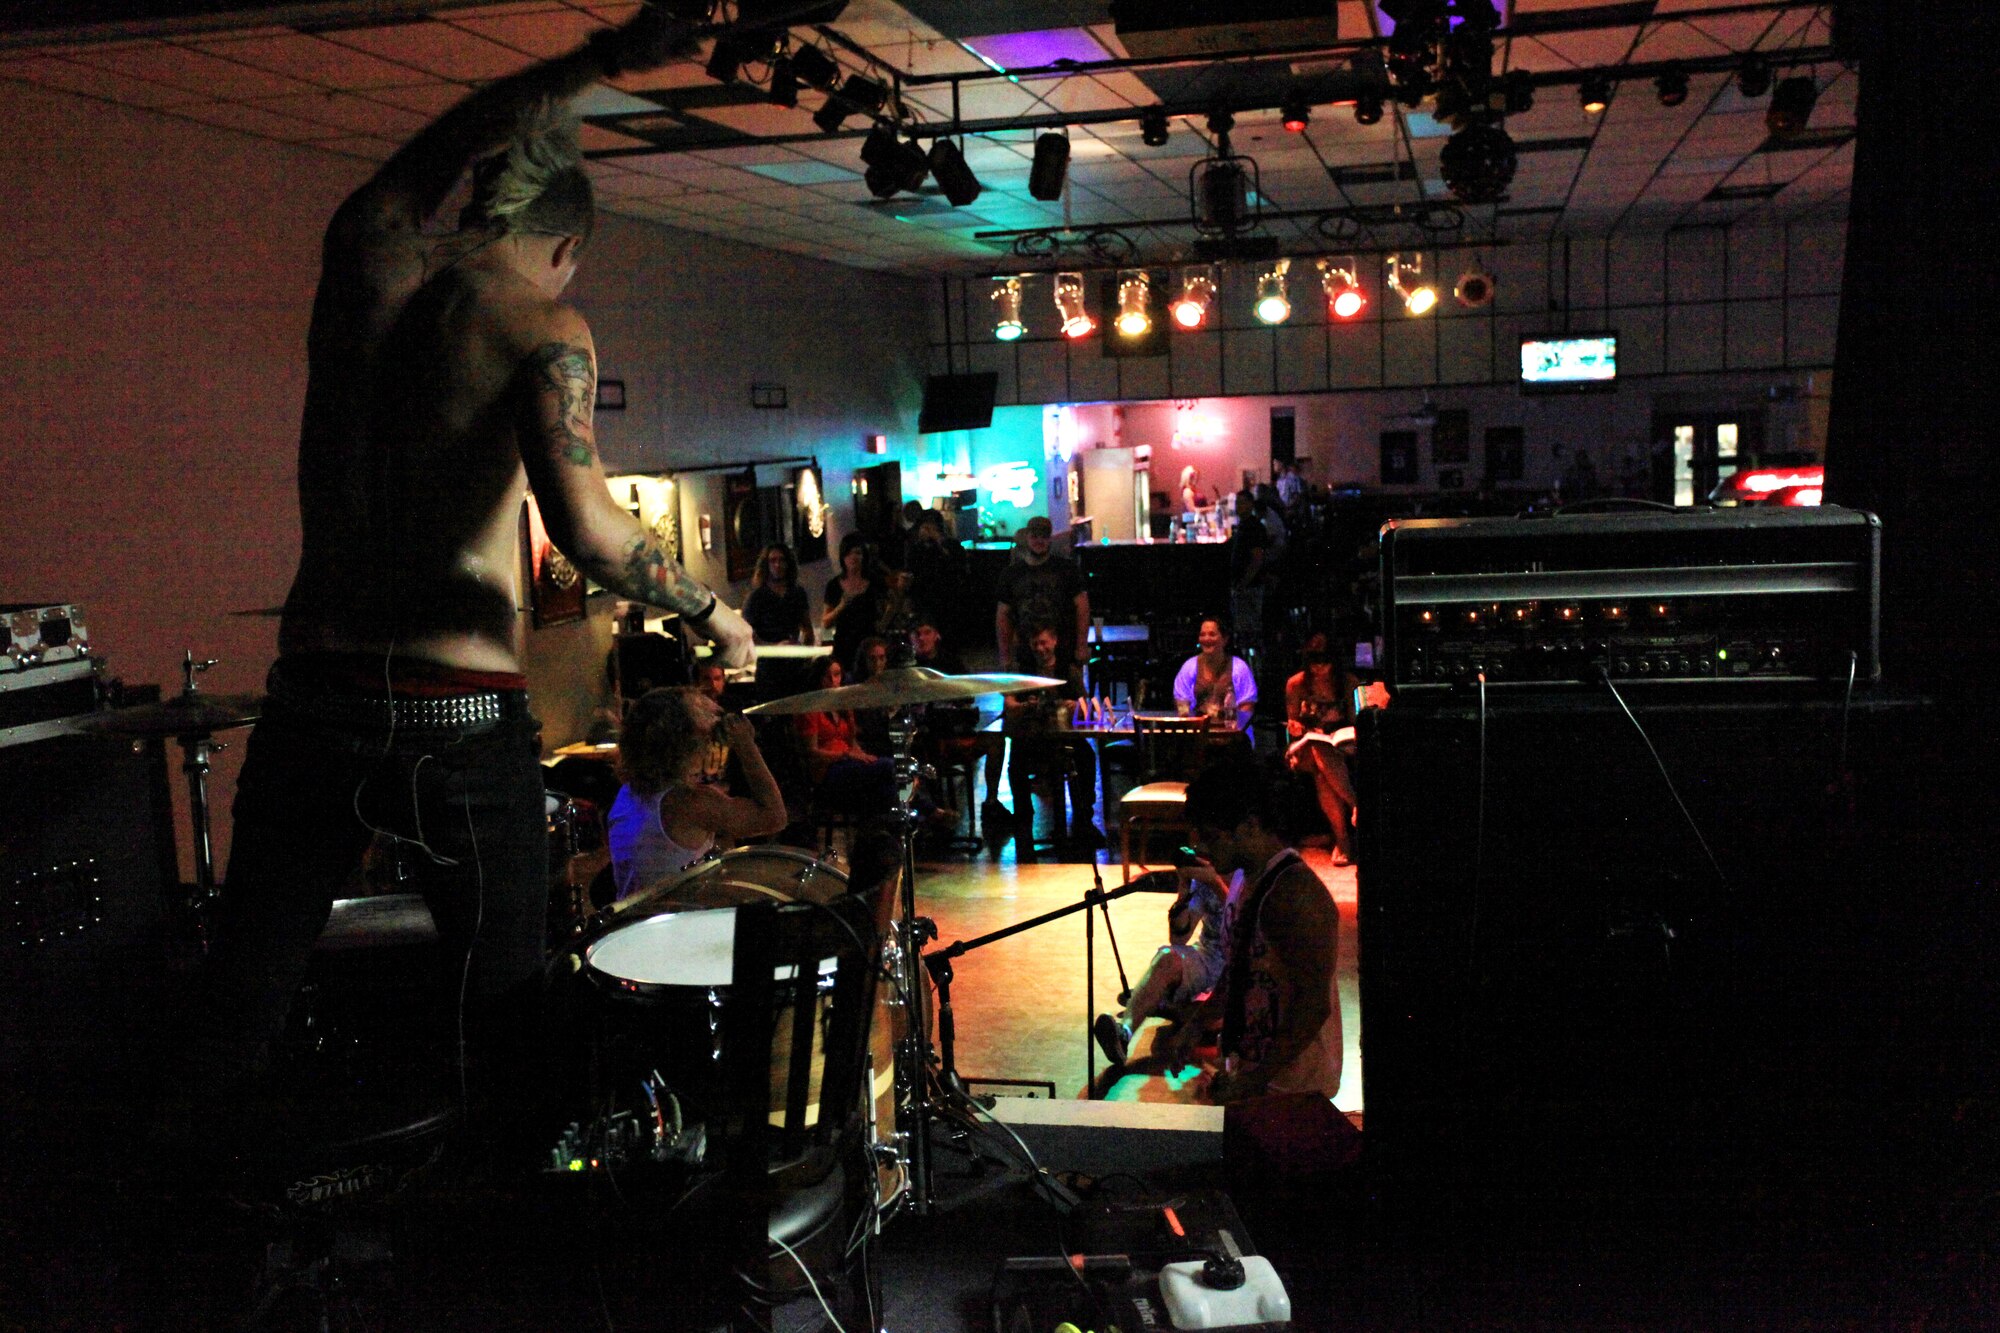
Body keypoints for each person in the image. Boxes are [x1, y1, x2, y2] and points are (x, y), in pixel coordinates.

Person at [167, 6, 752, 1147]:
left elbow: (423, 155)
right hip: (454, 716)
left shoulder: (365, 258)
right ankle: (500, 1257)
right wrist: (715, 612)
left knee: (243, 996)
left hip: (313, 701)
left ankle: (189, 1243)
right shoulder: (543, 322)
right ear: (569, 242)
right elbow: (588, 535)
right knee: (505, 1020)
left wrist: (588, 65)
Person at [1159, 764, 1342, 1105]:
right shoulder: (1244, 880)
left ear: (1251, 826)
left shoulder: (1294, 897)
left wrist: (1253, 1081)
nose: (1202, 847)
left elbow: (1314, 1006)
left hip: (1295, 1089)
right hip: (1262, 1078)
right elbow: (1242, 966)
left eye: (1212, 836)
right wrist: (1198, 1023)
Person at [607, 686, 786, 902]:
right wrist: (746, 744)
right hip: (675, 927)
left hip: (636, 924)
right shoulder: (688, 803)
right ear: (684, 739)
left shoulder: (627, 793)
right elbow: (774, 817)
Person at [1093, 859, 1242, 1067]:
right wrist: (1184, 887)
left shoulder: (1247, 875)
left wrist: (1217, 885)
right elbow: (1178, 939)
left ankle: (1160, 1001)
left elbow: (1247, 931)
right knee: (1166, 957)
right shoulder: (1205, 878)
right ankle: (1124, 1033)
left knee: (1211, 1020)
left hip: (1241, 966)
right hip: (1208, 957)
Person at [792, 654, 950, 826]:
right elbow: (811, 752)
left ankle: (909, 822)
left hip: (850, 764)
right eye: (827, 676)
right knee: (891, 767)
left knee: (889, 784)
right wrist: (848, 755)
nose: (833, 680)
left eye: (837, 675)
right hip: (827, 771)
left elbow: (852, 742)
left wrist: (861, 755)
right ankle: (926, 813)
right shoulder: (810, 709)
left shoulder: (842, 705)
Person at [1003, 621, 1103, 853]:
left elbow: (1087, 706)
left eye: (1044, 643)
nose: (1040, 648)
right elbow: (1008, 704)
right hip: (1033, 736)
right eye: (1036, 644)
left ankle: (1083, 818)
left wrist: (1074, 705)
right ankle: (1023, 821)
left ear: (1054, 642)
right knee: (1016, 762)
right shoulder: (1022, 671)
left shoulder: (1068, 671)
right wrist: (1026, 706)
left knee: (1086, 756)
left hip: (1064, 736)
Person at [1285, 651, 1358, 865]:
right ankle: (1356, 804)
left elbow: (1356, 721)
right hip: (1305, 746)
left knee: (1323, 773)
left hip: (1340, 745)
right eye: (1314, 663)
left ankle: (1342, 840)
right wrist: (1295, 727)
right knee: (1318, 745)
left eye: (1324, 663)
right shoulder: (1296, 684)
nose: (1319, 669)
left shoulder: (1348, 683)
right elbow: (1292, 723)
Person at [995, 515, 1090, 679]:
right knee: (1029, 699)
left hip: (1063, 648)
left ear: (1050, 538)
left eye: (1044, 536)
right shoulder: (1011, 574)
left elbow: (1082, 607)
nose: (1039, 540)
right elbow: (1003, 615)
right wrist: (1005, 655)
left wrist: (1081, 646)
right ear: (1027, 538)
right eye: (1035, 536)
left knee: (1067, 698)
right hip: (1026, 650)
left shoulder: (1067, 569)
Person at [1174, 617, 1258, 743]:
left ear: (1225, 639)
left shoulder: (1239, 667)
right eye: (1202, 635)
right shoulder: (1189, 667)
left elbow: (1247, 706)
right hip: (1200, 738)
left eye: (1212, 634)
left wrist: (1230, 731)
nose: (1206, 639)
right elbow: (1182, 704)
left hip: (1234, 738)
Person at [821, 533, 883, 676]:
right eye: (849, 553)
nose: (853, 557)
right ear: (843, 557)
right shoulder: (834, 585)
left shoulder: (874, 582)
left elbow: (884, 613)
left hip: (869, 646)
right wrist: (841, 606)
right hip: (845, 647)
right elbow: (825, 622)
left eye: (858, 553)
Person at [742, 543, 814, 645]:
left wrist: (806, 652)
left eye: (782, 560)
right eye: (773, 561)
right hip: (768, 658)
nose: (777, 565)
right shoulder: (756, 597)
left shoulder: (797, 593)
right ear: (766, 565)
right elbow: (747, 635)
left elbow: (807, 629)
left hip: (793, 656)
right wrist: (775, 647)